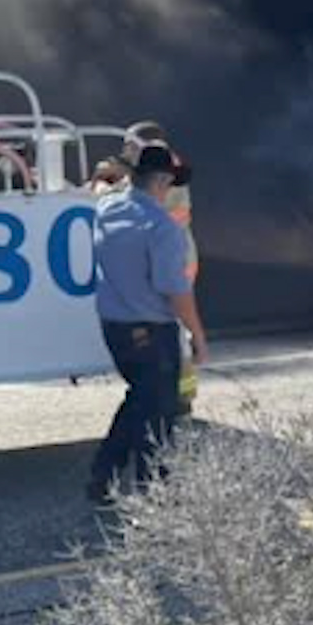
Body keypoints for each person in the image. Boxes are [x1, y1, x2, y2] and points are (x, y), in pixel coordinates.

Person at [87, 144, 208, 503]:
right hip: (152, 331)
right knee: (157, 414)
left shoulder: (106, 209)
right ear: (161, 181)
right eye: (170, 183)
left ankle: (103, 478)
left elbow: (103, 187)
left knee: (139, 400)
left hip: (114, 327)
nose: (171, 190)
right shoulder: (161, 228)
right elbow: (175, 290)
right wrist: (198, 336)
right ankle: (152, 491)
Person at [122, 122, 201, 414]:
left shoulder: (167, 176)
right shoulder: (160, 170)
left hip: (175, 263)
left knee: (176, 334)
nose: (125, 152)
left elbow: (133, 201)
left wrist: (106, 182)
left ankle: (183, 399)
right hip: (171, 260)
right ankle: (175, 395)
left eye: (129, 146)